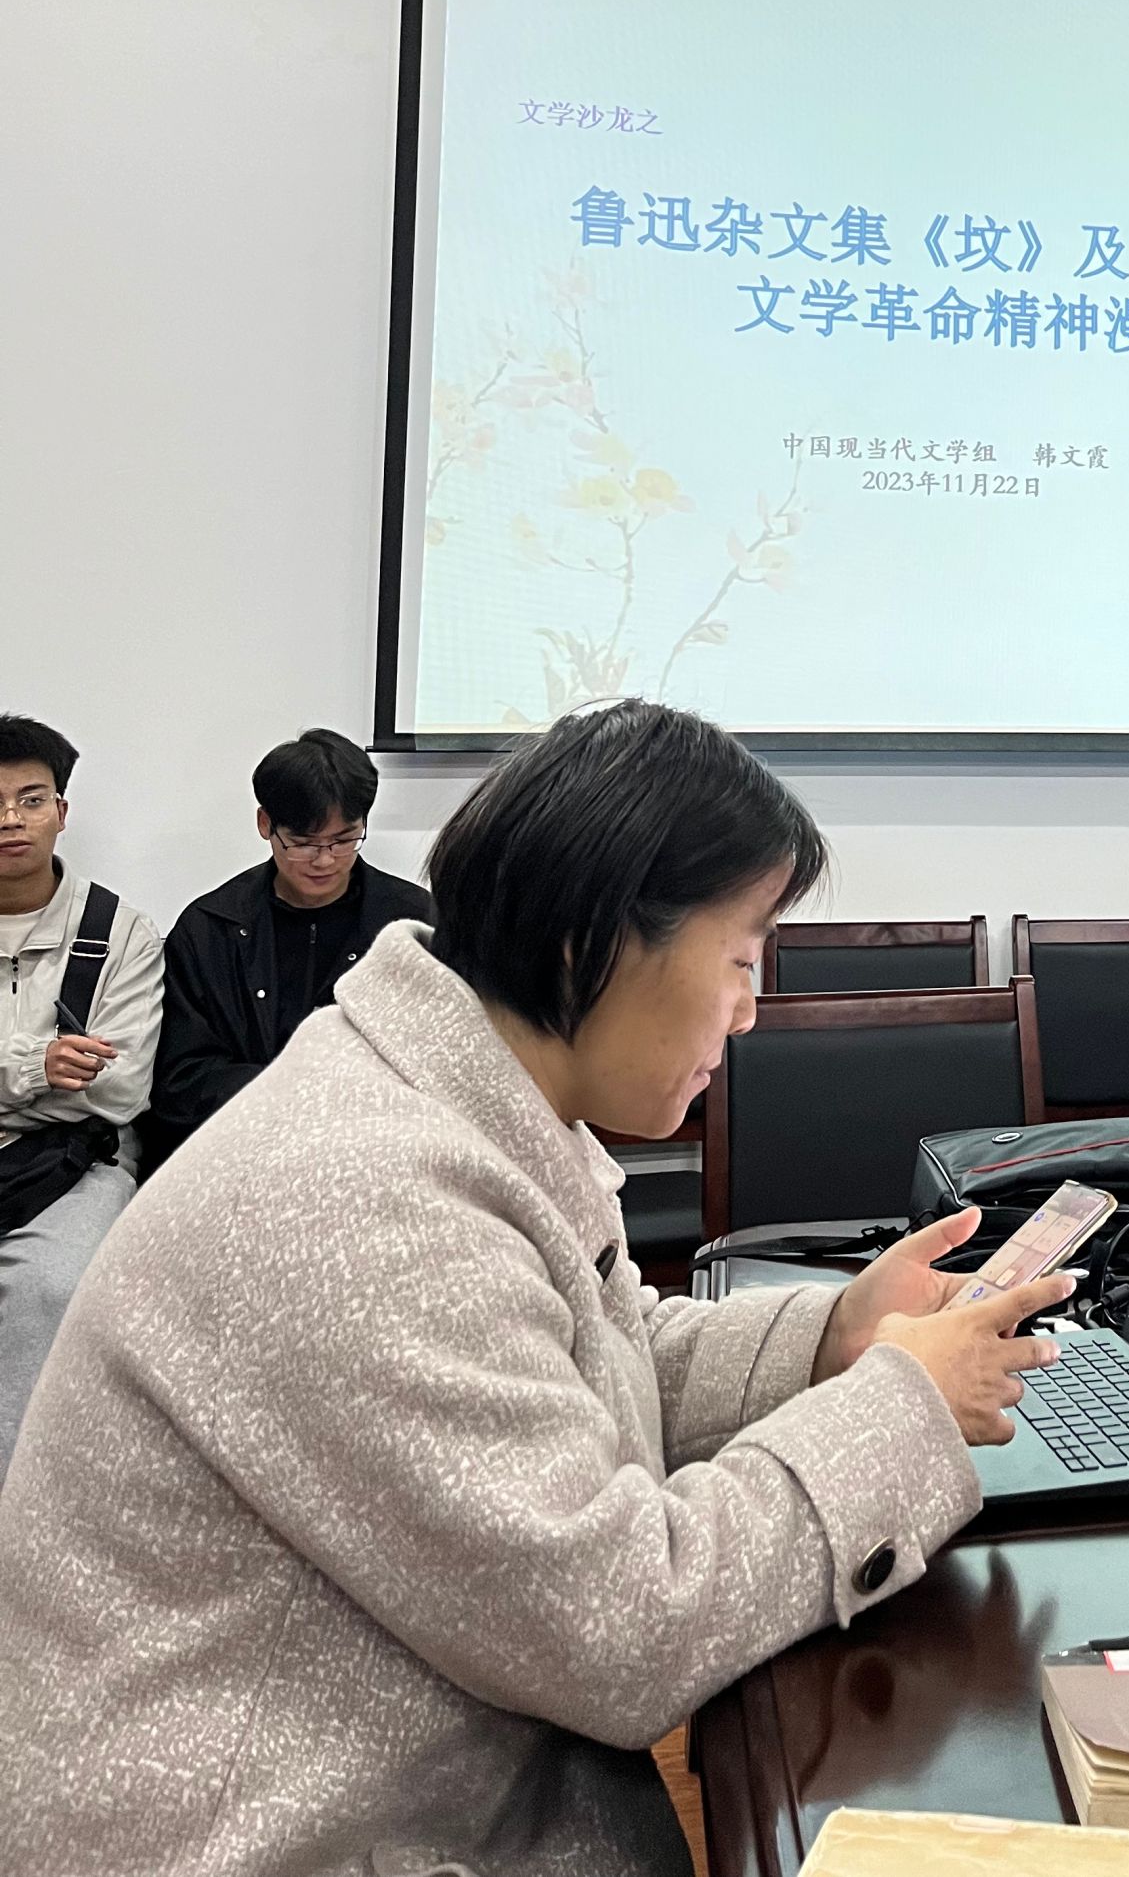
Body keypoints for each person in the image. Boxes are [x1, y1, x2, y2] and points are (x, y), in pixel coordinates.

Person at [0, 701, 1069, 1877]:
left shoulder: (450, 1095)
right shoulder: (367, 1199)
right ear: (591, 946)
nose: (750, 1008)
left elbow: (584, 1359)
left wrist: (836, 1335)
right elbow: (627, 1630)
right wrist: (902, 1404)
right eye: (740, 957)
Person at [146, 725, 434, 1168]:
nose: (325, 860)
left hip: (377, 1151)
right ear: (266, 824)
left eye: (344, 840)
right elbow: (182, 1083)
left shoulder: (413, 923)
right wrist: (300, 1095)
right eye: (303, 843)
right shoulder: (210, 929)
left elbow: (438, 1063)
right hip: (240, 1152)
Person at [0, 714, 162, 1477]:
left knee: (51, 1287)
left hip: (75, 1166)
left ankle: (25, 1501)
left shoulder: (120, 933)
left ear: (62, 811)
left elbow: (117, 1090)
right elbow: (66, 1078)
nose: (11, 819)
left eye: (31, 800)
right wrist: (39, 1066)